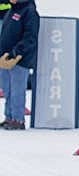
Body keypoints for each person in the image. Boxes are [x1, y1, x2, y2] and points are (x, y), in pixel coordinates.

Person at [0, 0, 39, 130]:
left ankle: (18, 119)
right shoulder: (12, 10)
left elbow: (30, 37)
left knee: (17, 91)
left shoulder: (29, 11)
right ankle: (9, 116)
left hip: (20, 60)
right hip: (5, 58)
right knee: (7, 89)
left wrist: (16, 53)